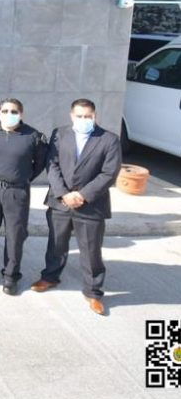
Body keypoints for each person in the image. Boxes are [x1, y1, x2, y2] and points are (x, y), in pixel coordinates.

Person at [31, 99, 121, 316]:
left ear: (95, 116)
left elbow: (109, 173)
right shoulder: (59, 134)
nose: (83, 120)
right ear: (72, 116)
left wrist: (83, 195)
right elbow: (51, 165)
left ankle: (93, 292)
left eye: (88, 116)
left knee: (91, 250)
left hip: (91, 205)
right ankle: (50, 277)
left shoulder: (109, 139)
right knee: (56, 243)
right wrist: (63, 193)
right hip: (60, 201)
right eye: (79, 116)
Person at [0, 98, 48, 294]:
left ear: (21, 114)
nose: (9, 114)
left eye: (14, 111)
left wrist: (23, 177)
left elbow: (40, 162)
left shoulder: (32, 135)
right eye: (5, 111)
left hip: (17, 192)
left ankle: (10, 276)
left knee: (15, 235)